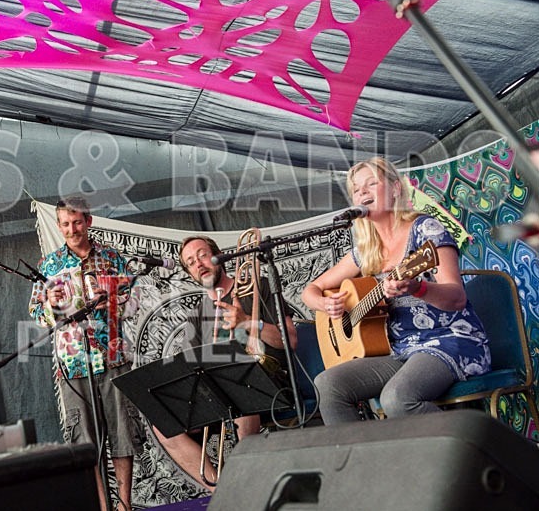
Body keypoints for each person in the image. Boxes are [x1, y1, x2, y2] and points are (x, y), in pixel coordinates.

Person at [300, 157, 491, 424]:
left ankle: (473, 453)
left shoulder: (425, 229)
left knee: (397, 398)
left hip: (448, 339)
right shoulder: (365, 250)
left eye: (371, 184)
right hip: (398, 349)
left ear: (395, 189)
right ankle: (366, 464)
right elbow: (310, 290)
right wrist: (325, 304)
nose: (362, 192)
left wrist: (418, 287)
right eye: (356, 189)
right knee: (328, 385)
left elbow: (457, 298)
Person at [154, 235, 298, 490]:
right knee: (162, 422)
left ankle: (245, 477)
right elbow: (191, 368)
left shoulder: (259, 287)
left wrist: (247, 323)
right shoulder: (197, 315)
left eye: (201, 255)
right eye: (190, 262)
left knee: (241, 385)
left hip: (270, 382)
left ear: (218, 255)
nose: (198, 263)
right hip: (220, 390)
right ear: (189, 273)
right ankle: (221, 491)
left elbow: (290, 340)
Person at [28, 197, 143, 511]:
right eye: (65, 224)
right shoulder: (49, 265)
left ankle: (125, 505)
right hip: (73, 361)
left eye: (77, 222)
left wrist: (115, 302)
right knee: (85, 440)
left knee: (122, 430)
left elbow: (135, 301)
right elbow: (37, 314)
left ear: (89, 221)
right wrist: (50, 304)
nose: (71, 229)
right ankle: (103, 506)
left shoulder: (111, 257)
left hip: (114, 353)